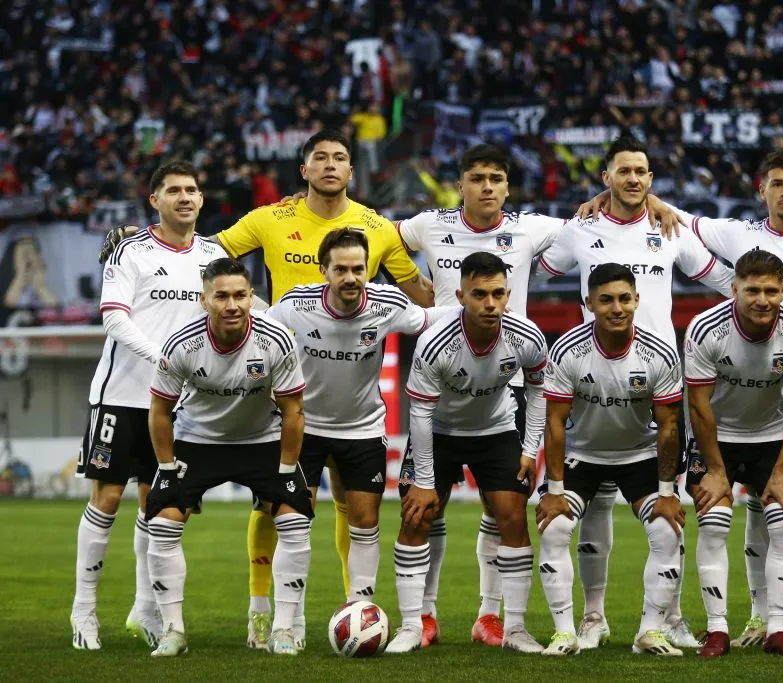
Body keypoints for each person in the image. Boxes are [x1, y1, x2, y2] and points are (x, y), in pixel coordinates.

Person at [95, 130, 434, 649]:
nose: (329, 165)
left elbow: (420, 296)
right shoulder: (268, 219)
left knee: (354, 510)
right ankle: (264, 615)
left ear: (351, 170)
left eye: (340, 157)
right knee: (272, 508)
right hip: (275, 389)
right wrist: (135, 238)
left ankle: (356, 608)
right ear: (303, 169)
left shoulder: (378, 227)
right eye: (319, 157)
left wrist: (476, 307)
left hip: (350, 401)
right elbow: (202, 259)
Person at [582, 148, 783, 650]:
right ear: (762, 189)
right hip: (747, 403)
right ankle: (755, 620)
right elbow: (673, 217)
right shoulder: (740, 235)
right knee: (752, 514)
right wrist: (611, 194)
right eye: (776, 183)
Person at [397, 143, 684, 647]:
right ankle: (423, 615)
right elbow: (378, 238)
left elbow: (601, 220)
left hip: (508, 379)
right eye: (476, 177)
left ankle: (492, 617)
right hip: (441, 370)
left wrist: (634, 195)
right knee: (429, 507)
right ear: (459, 184)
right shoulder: (427, 224)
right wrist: (414, 287)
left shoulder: (534, 227)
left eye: (495, 178)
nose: (486, 186)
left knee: (502, 508)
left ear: (508, 186)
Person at [535, 135, 733, 649]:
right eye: (623, 171)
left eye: (642, 171)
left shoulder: (669, 226)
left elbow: (726, 281)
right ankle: (592, 618)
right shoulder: (580, 228)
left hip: (660, 382)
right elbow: (529, 269)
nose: (633, 179)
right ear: (606, 178)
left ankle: (669, 618)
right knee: (594, 506)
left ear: (651, 178)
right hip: (591, 377)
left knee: (671, 507)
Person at [70, 161, 229, 651]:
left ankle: (145, 610)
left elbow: (236, 303)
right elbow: (113, 319)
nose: (185, 197)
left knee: (154, 504)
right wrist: (165, 358)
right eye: (174, 190)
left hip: (177, 406)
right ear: (154, 200)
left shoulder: (214, 253)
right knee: (108, 499)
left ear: (202, 200)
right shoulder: (130, 250)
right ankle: (84, 613)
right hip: (121, 395)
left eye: (193, 190)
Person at [265, 228, 453, 613]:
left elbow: (428, 318)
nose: (350, 278)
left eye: (358, 269)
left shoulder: (387, 304)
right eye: (341, 269)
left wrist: (473, 309)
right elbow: (261, 329)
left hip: (363, 429)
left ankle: (360, 611)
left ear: (368, 269)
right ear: (324, 270)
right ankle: (288, 622)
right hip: (306, 428)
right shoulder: (295, 305)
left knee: (365, 524)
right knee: (293, 523)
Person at [146, 258, 312, 657]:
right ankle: (173, 631)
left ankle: (283, 629)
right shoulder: (181, 344)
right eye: (221, 296)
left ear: (252, 297)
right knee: (162, 523)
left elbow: (294, 410)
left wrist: (288, 470)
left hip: (261, 438)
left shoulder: (277, 339)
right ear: (205, 300)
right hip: (197, 439)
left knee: (295, 522)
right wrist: (167, 468)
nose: (232, 304)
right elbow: (159, 411)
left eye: (240, 295)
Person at [388, 252, 548, 654]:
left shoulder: (526, 336)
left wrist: (530, 449)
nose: (490, 303)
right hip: (439, 431)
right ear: (460, 295)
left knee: (512, 517)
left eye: (497, 293)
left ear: (508, 295)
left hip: (495, 430)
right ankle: (415, 623)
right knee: (416, 515)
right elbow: (420, 414)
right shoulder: (435, 342)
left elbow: (539, 391)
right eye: (479, 294)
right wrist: (424, 482)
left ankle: (509, 627)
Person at [538, 263, 687, 657]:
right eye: (605, 300)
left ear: (637, 300)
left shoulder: (659, 353)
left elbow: (669, 426)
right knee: (553, 527)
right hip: (583, 455)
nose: (616, 308)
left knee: (668, 531)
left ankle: (650, 632)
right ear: (589, 303)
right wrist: (553, 490)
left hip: (639, 455)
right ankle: (569, 631)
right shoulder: (568, 350)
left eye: (624, 298)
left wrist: (669, 492)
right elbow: (554, 422)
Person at [683, 249, 783, 659]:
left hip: (772, 436)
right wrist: (714, 469)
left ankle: (777, 629)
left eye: (772, 291)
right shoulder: (705, 328)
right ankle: (717, 630)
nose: (762, 299)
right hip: (718, 436)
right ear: (734, 290)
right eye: (753, 290)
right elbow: (699, 406)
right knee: (714, 522)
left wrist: (782, 471)